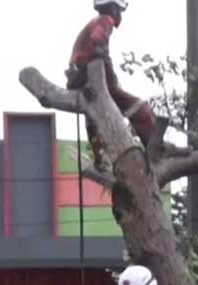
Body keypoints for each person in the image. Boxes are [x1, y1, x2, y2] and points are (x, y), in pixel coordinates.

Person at [66, 0, 157, 170]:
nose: (120, 15)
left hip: (83, 75)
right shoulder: (104, 20)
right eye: (119, 10)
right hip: (90, 73)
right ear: (113, 8)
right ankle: (155, 146)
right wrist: (109, 75)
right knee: (139, 108)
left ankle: (100, 156)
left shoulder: (94, 23)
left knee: (94, 116)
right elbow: (98, 41)